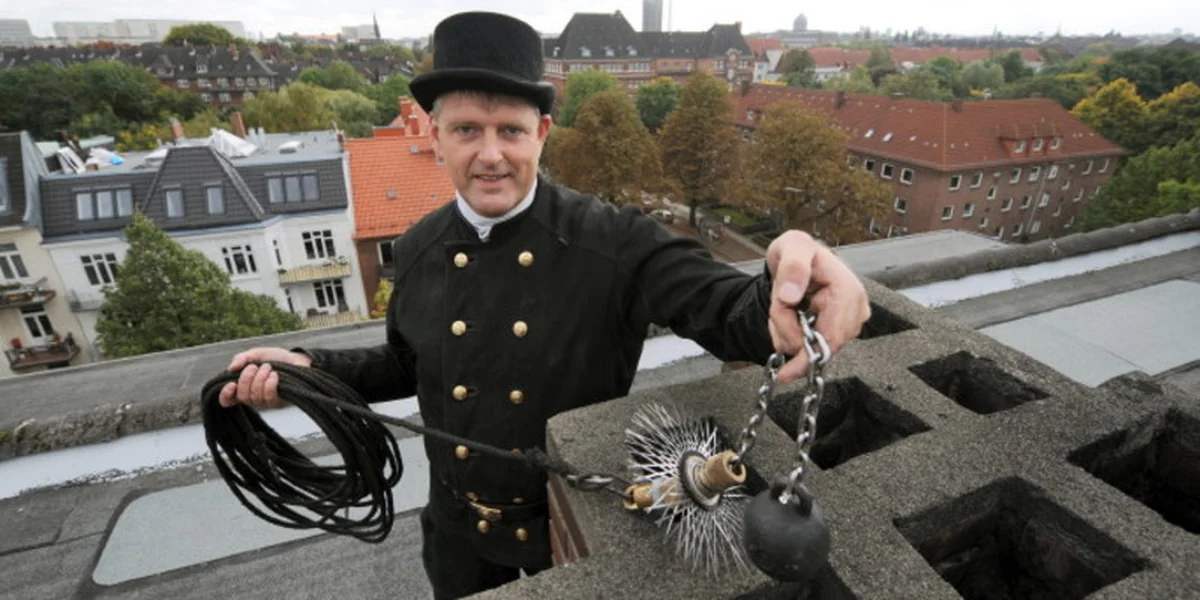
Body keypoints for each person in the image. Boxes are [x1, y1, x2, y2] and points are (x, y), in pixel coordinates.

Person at [218, 11, 870, 600]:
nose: (490, 154)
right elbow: (406, 364)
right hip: (458, 539)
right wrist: (308, 370)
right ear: (434, 135)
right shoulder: (416, 248)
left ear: (543, 134)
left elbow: (727, 311)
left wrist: (793, 277)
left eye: (511, 130)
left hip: (575, 528)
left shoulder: (614, 240)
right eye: (467, 130)